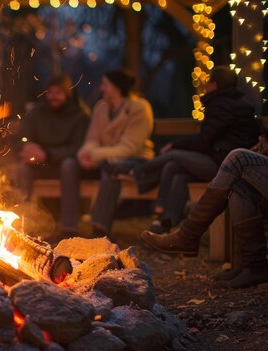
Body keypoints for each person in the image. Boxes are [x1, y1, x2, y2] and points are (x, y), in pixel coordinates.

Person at [131, 66, 260, 234]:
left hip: (223, 164)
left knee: (174, 155)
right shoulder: (238, 103)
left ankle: (136, 172)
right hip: (225, 160)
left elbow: (203, 141)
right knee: (176, 172)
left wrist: (175, 144)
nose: (205, 84)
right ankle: (164, 219)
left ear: (215, 84)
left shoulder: (221, 105)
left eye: (208, 81)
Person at [141, 140, 268, 289]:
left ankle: (187, 236)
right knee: (238, 185)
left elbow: (205, 138)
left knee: (237, 158)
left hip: (217, 157)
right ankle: (253, 264)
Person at [76, 69, 154, 236]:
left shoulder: (140, 108)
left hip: (136, 161)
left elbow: (129, 148)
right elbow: (92, 139)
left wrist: (95, 155)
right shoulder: (101, 108)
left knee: (111, 169)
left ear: (116, 87)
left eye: (105, 84)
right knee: (74, 165)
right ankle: (72, 225)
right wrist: (85, 154)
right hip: (106, 161)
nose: (101, 88)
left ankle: (99, 228)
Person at [17, 75, 90, 236]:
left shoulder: (80, 116)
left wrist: (48, 155)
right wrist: (27, 146)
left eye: (58, 92)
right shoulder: (37, 113)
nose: (53, 96)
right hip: (39, 164)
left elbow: (78, 147)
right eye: (50, 92)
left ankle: (69, 227)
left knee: (69, 165)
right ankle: (21, 222)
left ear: (68, 94)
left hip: (66, 166)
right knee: (22, 168)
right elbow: (23, 136)